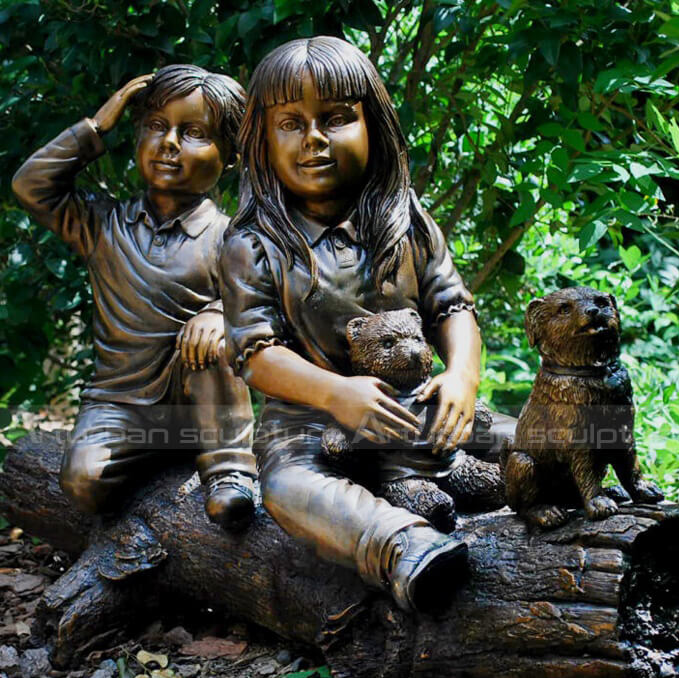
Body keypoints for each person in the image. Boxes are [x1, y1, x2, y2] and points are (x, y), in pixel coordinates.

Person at [221, 36, 500, 611]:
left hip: (419, 406)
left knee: (538, 437)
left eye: (338, 118)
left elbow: (453, 306)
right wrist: (335, 392)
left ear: (376, 126)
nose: (314, 139)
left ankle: (579, 489)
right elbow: (255, 353)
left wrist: (462, 377)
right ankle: (403, 547)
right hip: (309, 427)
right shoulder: (254, 245)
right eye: (291, 124)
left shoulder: (407, 223)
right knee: (288, 489)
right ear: (262, 140)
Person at [13, 65, 257, 531]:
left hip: (201, 404)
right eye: (156, 126)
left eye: (193, 133)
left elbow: (269, 306)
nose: (168, 143)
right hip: (120, 405)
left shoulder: (232, 238)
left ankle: (229, 469)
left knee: (212, 337)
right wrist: (96, 127)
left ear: (228, 158)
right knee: (83, 483)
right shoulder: (101, 225)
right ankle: (158, 460)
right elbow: (30, 186)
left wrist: (222, 313)